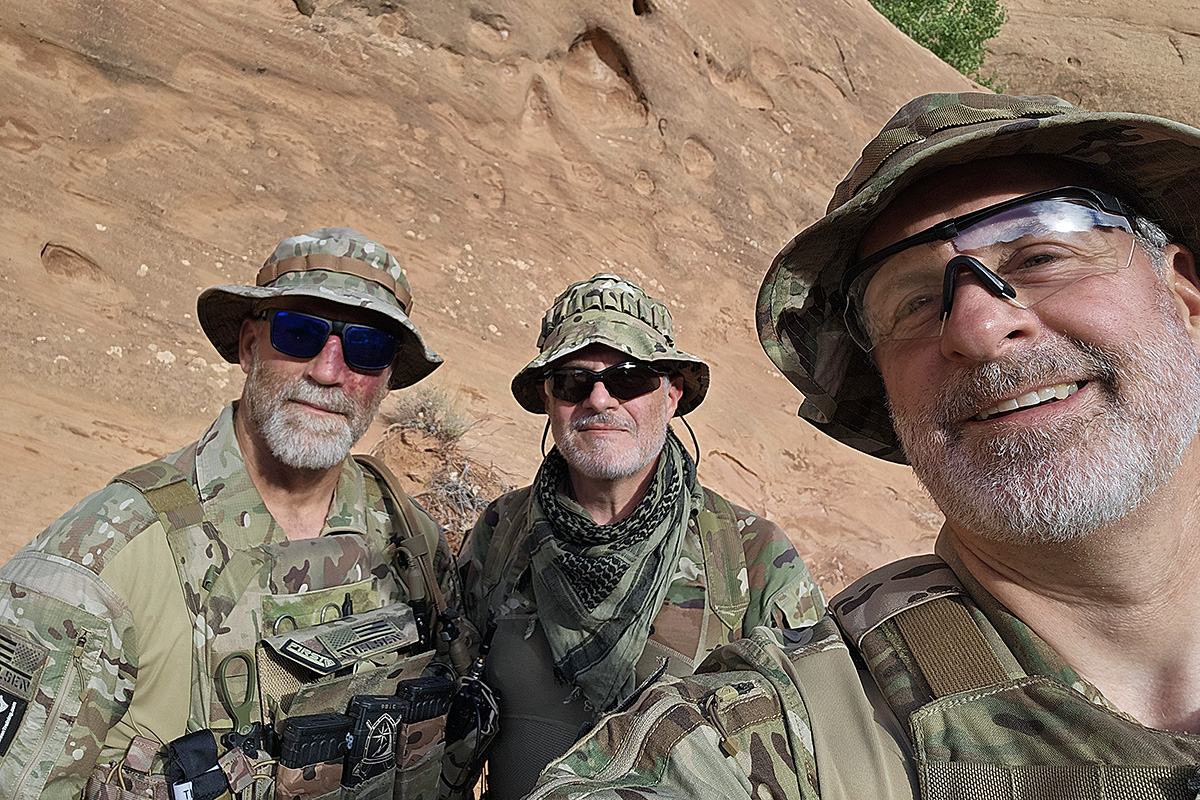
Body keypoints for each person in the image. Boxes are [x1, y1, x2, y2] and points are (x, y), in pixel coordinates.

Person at [528, 93, 1200, 800]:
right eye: (914, 301)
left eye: (1040, 255)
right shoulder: (770, 734)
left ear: (1185, 295)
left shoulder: (746, 551)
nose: (975, 327)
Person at [0, 227, 464, 799]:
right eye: (299, 334)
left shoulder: (411, 537)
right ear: (248, 347)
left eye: (367, 348)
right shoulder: (102, 561)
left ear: (387, 379)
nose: (328, 371)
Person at [459, 273, 825, 800]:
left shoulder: (752, 556)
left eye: (629, 379)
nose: (599, 400)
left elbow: (814, 749)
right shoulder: (501, 533)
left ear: (671, 395)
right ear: (548, 398)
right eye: (573, 381)